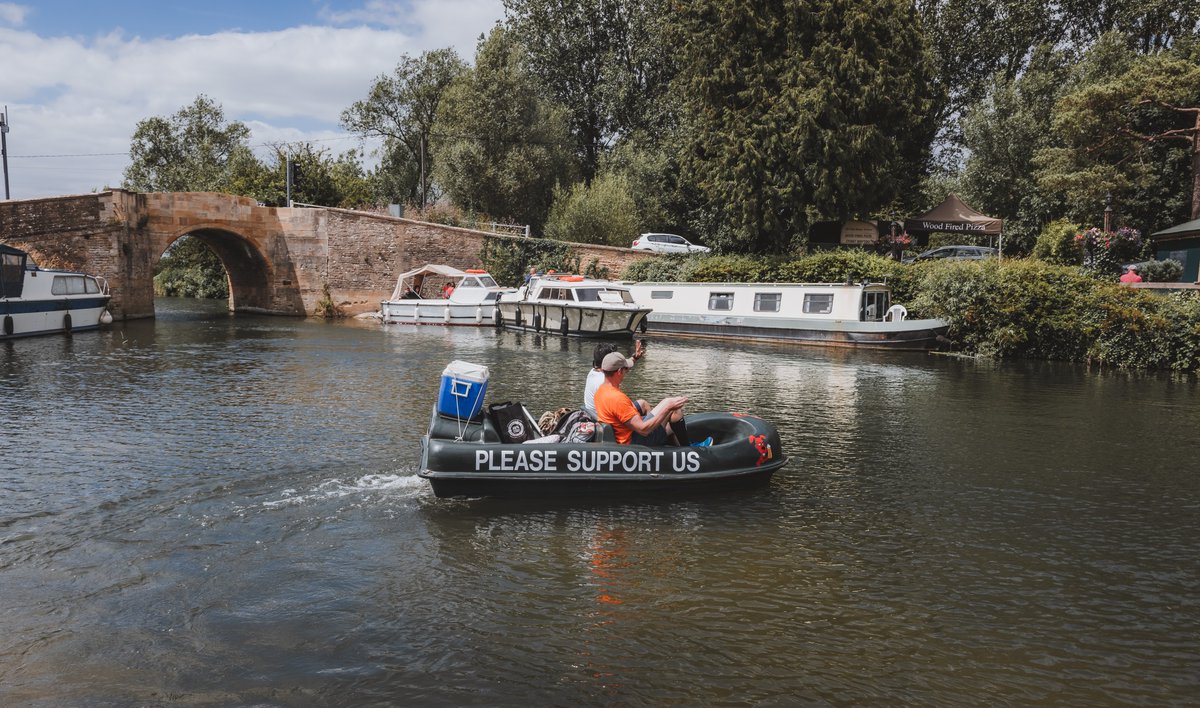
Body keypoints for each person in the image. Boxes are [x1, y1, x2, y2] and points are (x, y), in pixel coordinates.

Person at [594, 351, 710, 447]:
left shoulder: (601, 391)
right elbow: (644, 430)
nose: (626, 373)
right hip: (634, 443)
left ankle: (677, 443)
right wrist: (667, 408)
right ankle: (689, 450)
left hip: (624, 434)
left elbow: (620, 415)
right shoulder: (617, 398)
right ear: (619, 372)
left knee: (667, 403)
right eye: (626, 370)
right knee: (674, 410)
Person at [584, 340, 645, 417]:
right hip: (607, 420)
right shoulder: (607, 382)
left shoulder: (593, 372)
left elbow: (622, 367)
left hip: (595, 414)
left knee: (642, 404)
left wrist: (635, 357)